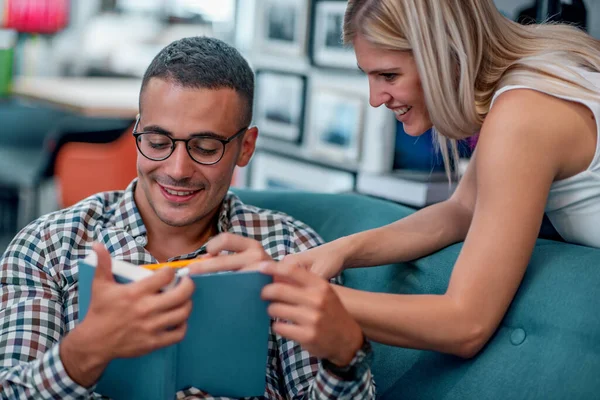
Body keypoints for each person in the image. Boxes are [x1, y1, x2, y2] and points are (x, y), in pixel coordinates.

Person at [199, 0, 600, 359]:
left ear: (444, 55)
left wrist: (287, 293)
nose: (376, 98)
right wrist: (341, 250)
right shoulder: (535, 74)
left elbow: (466, 324)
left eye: (389, 75)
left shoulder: (521, 116)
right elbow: (461, 210)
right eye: (370, 76)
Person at [0, 36, 375, 399]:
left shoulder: (294, 250)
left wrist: (344, 360)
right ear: (137, 130)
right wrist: (80, 356)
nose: (177, 169)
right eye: (158, 142)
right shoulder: (49, 246)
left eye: (205, 147)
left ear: (245, 147)